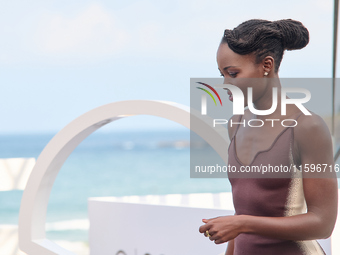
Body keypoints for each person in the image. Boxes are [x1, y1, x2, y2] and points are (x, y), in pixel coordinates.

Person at [199, 19, 338, 255]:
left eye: (233, 73)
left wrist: (243, 223)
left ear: (266, 65)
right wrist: (237, 227)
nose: (225, 84)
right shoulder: (235, 124)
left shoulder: (307, 126)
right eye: (222, 74)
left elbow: (323, 223)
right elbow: (242, 210)